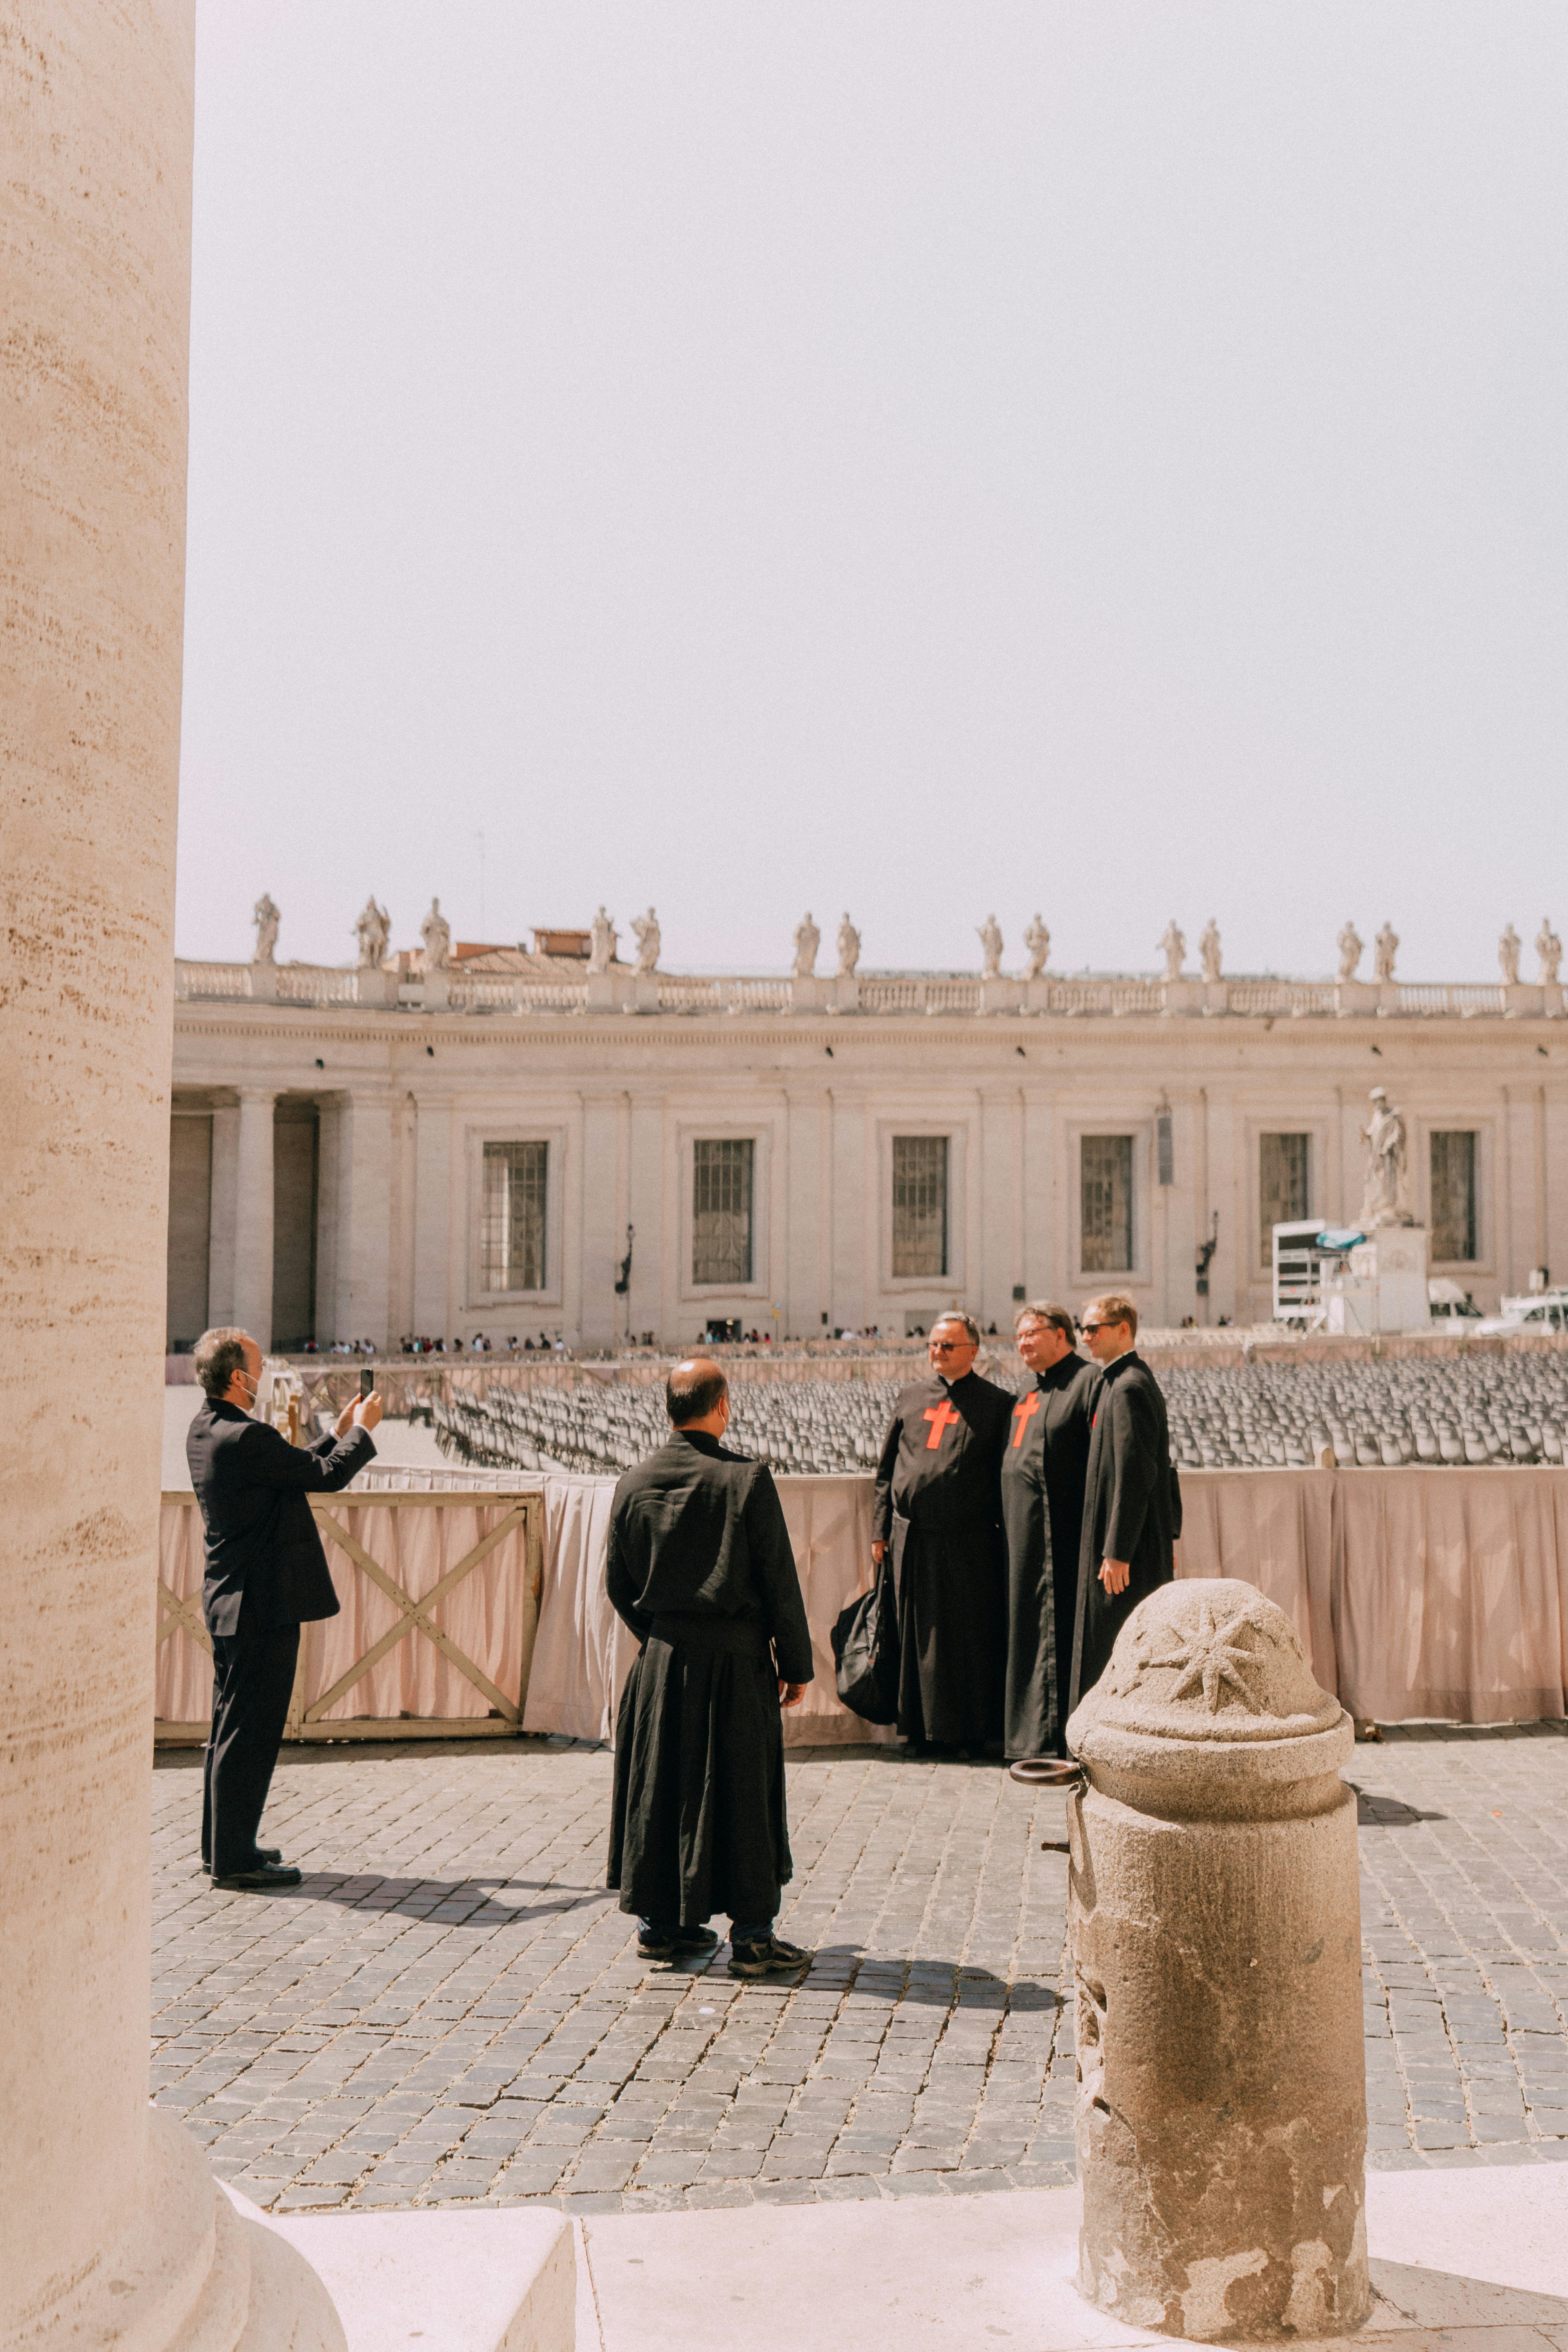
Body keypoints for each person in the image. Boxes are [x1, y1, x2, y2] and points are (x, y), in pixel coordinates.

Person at [606, 1357, 814, 1978]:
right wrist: (794, 1662)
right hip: (736, 1660)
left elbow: (617, 1584)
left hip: (663, 1662)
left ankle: (663, 1927)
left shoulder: (632, 1482)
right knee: (743, 1792)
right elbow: (779, 1581)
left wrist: (665, 1636)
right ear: (722, 1408)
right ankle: (752, 1937)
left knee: (662, 1788)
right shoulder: (747, 1479)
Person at [186, 1328, 381, 1889]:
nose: (266, 1369)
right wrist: (365, 1432)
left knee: (229, 1730)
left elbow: (289, 1468)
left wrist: (338, 1431)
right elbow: (324, 1476)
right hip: (260, 1604)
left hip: (230, 1600)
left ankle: (224, 1844)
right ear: (238, 1377)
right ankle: (235, 1861)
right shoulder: (248, 1437)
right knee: (250, 1733)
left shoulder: (209, 1428)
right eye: (258, 1363)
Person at [871, 1312, 1013, 1751]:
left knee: (966, 1639)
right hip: (912, 1540)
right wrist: (880, 1530)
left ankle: (969, 1732)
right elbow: (886, 1469)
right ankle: (919, 1730)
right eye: (932, 1344)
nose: (937, 1352)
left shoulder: (996, 1403)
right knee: (917, 1640)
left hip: (970, 1542)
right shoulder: (911, 1396)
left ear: (973, 1350)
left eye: (947, 1346)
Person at [1069, 1294, 1181, 1716]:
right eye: (1082, 1329)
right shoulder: (1115, 1380)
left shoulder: (1129, 1385)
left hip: (1125, 1553)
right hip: (1119, 1542)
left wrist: (1117, 1550)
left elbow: (1136, 1474)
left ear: (1123, 1329)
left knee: (1116, 1640)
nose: (1085, 1337)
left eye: (1093, 1328)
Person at [1000, 1303, 1102, 1760]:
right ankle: (1031, 1737)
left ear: (1062, 1335)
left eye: (1032, 1334)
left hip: (1065, 1535)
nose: (1023, 1343)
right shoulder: (1026, 1390)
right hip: (1026, 1535)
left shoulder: (1088, 1383)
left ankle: (1066, 1736)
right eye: (1018, 1336)